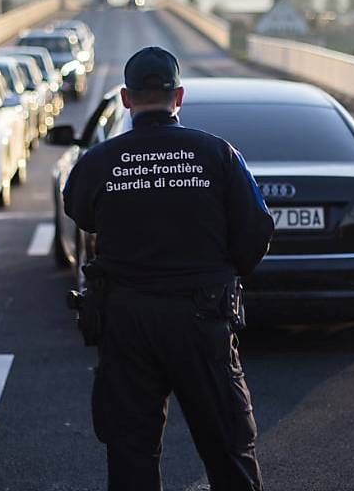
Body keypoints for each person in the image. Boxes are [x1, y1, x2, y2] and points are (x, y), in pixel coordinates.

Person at [63, 47, 274, 490]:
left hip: (125, 321)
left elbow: (80, 212)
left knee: (131, 455)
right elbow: (256, 228)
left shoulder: (100, 161)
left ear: (125, 98)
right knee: (229, 450)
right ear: (178, 96)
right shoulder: (217, 154)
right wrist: (219, 271)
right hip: (201, 316)